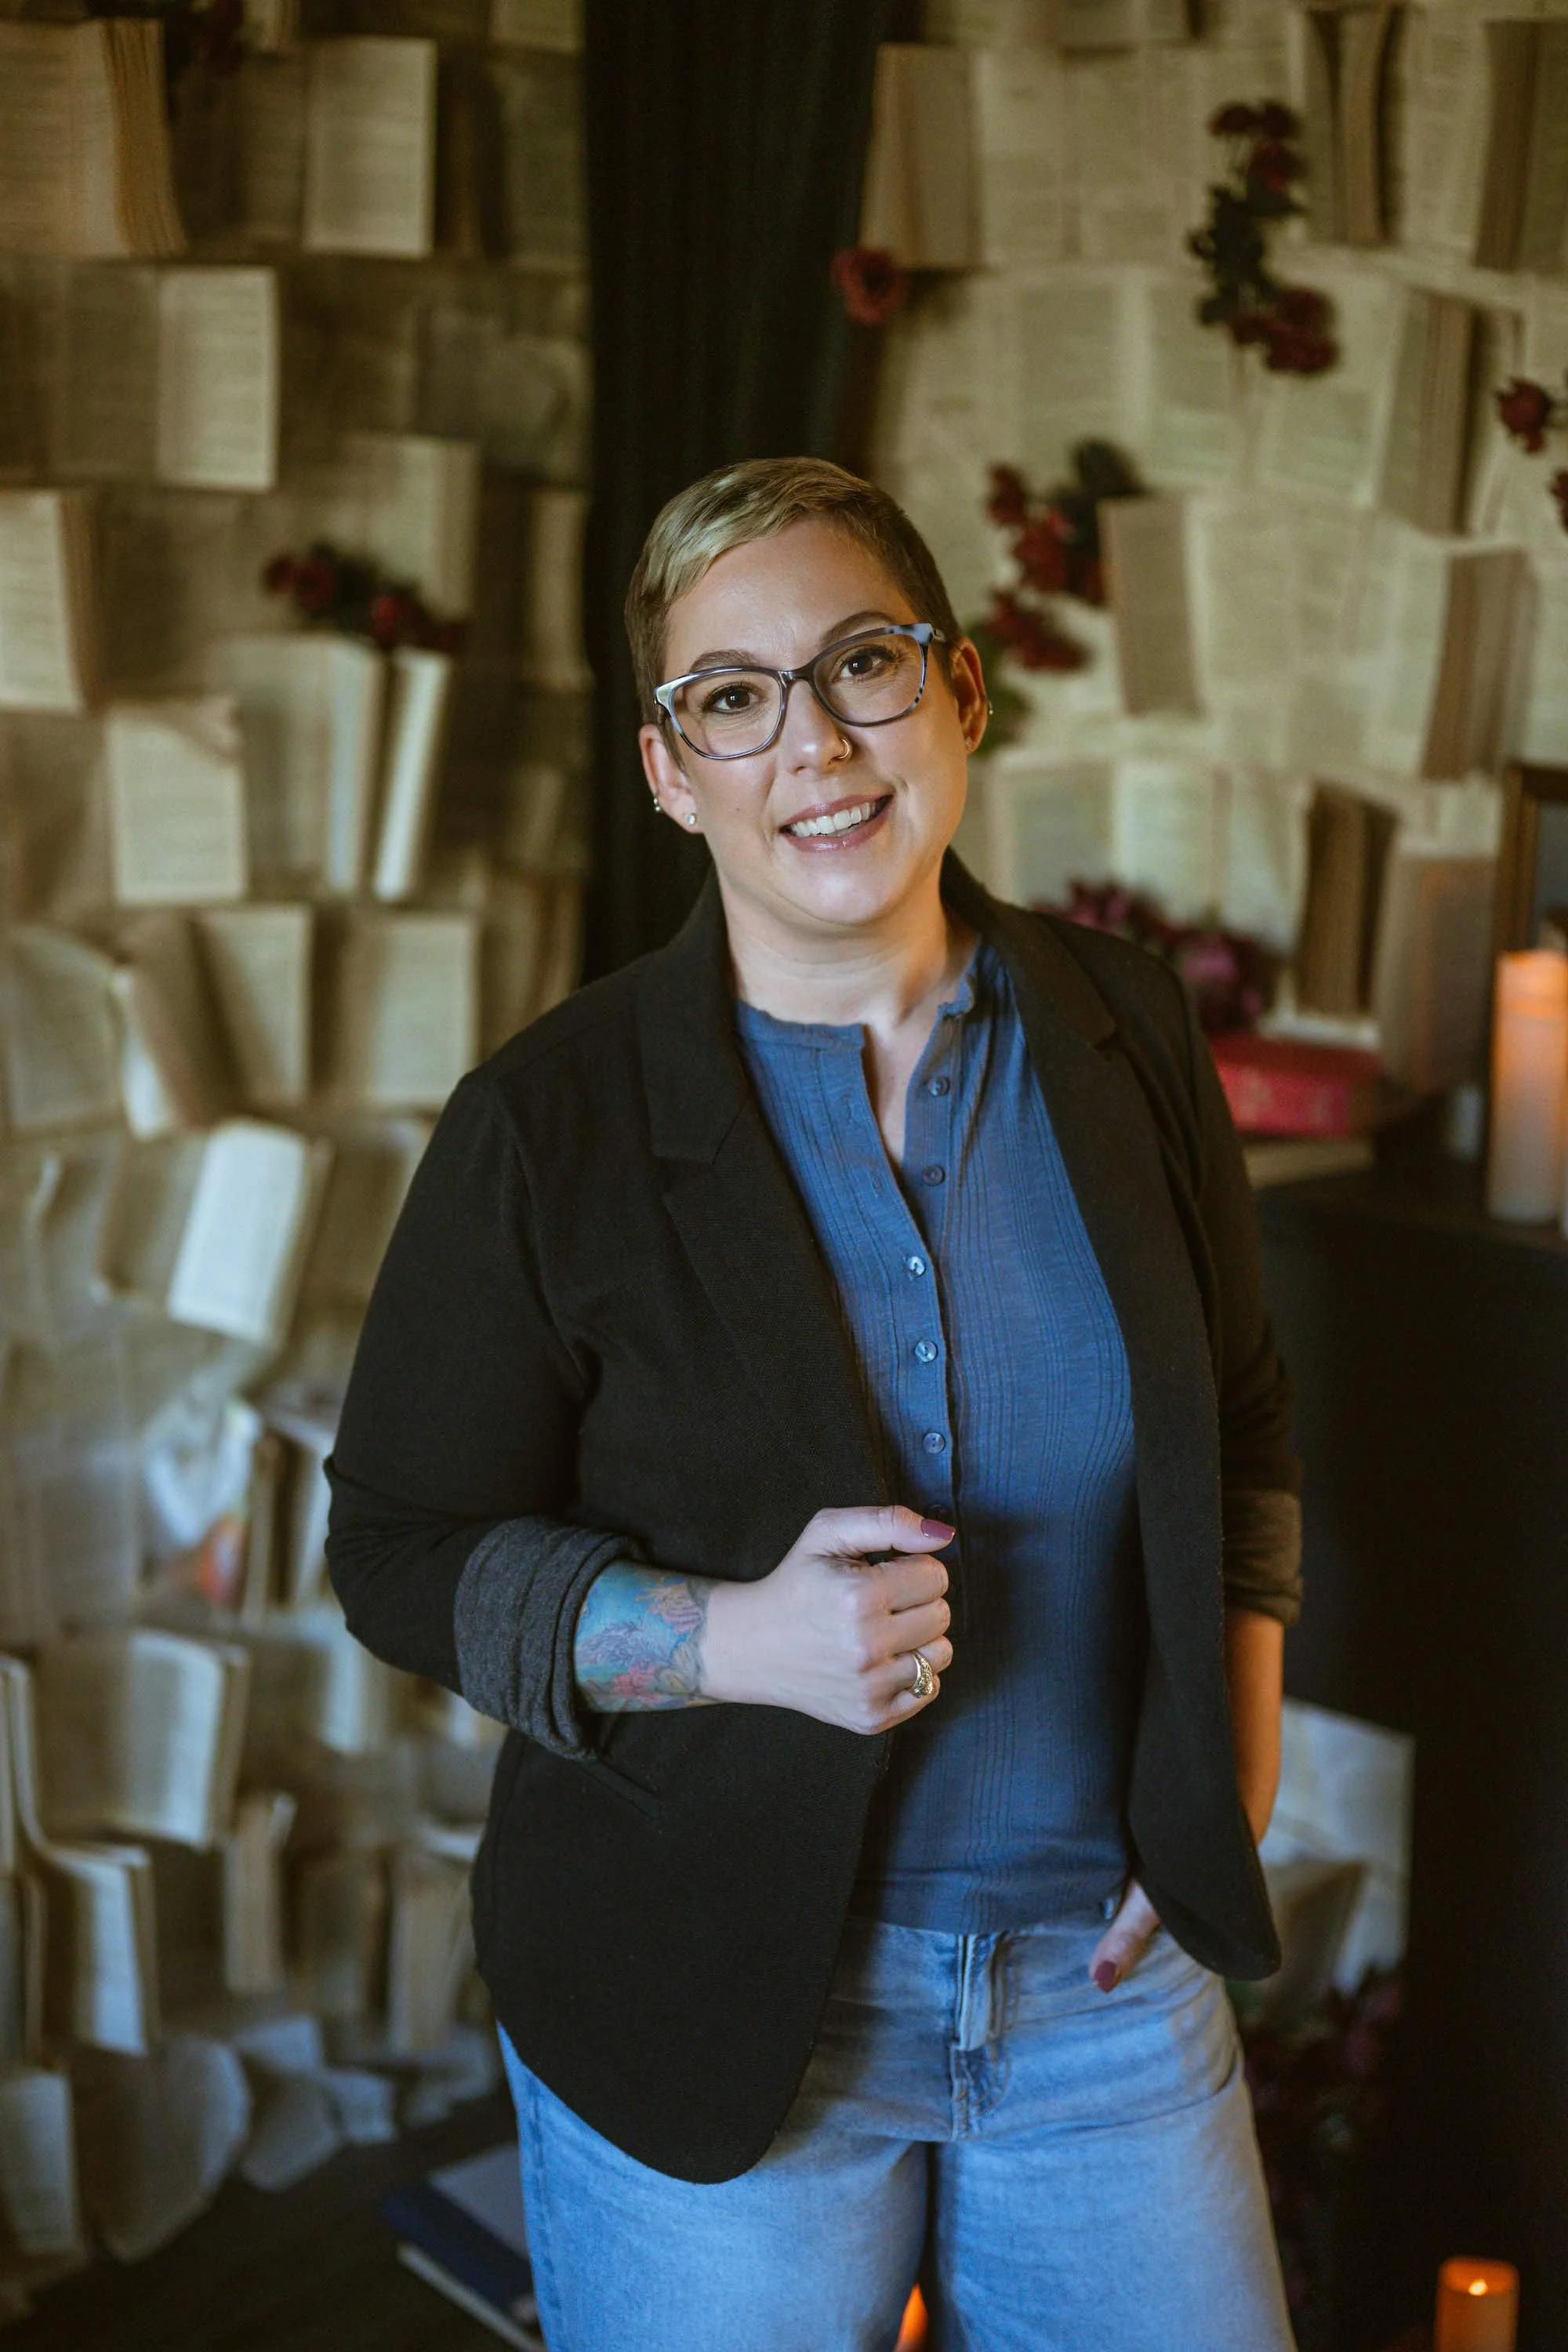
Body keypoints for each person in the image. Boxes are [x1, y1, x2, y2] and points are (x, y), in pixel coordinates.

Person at [326, 457, 1302, 2352]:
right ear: (669, 771)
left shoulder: (1128, 1031)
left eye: (862, 662)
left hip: (1106, 1995)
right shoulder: (550, 1124)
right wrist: (723, 1638)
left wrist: (1231, 1771)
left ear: (960, 689)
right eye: (732, 696)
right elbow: (393, 1550)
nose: (814, 743)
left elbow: (1244, 1415)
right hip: (715, 1991)